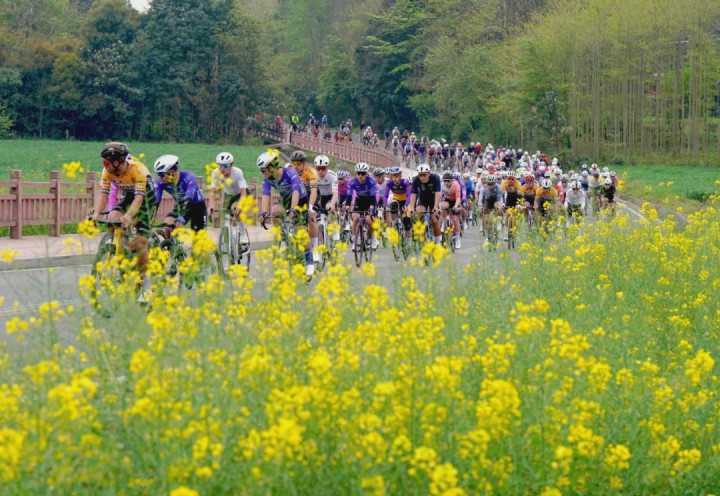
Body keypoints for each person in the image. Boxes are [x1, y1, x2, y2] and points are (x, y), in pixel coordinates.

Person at [92, 142, 157, 301]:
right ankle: (121, 251)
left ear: (117, 162)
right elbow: (103, 195)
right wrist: (96, 214)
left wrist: (128, 216)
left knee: (140, 243)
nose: (104, 166)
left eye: (106, 163)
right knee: (112, 218)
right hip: (129, 197)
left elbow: (139, 199)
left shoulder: (138, 169)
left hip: (146, 200)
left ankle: (146, 286)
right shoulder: (107, 171)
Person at [256, 150, 315, 277]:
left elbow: (295, 192)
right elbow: (265, 195)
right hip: (285, 200)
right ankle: (283, 234)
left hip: (300, 199)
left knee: (301, 231)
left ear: (271, 167)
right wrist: (263, 212)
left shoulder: (290, 173)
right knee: (274, 211)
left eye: (263, 170)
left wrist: (293, 209)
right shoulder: (267, 178)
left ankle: (309, 261)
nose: (262, 173)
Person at [153, 155, 206, 239]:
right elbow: (156, 200)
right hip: (181, 206)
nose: (160, 178)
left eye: (161, 174)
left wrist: (181, 217)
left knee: (197, 239)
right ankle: (170, 245)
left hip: (197, 207)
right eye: (158, 174)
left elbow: (188, 199)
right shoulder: (160, 182)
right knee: (167, 227)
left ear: (172, 172)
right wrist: (150, 219)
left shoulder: (189, 177)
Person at [289, 150, 321, 263]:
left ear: (304, 164)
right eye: (294, 163)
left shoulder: (311, 172)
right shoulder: (290, 172)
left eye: (298, 164)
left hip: (310, 195)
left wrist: (310, 207)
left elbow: (314, 191)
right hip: (297, 196)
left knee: (311, 219)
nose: (296, 166)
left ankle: (315, 250)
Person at [208, 152, 248, 229]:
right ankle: (228, 234)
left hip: (240, 194)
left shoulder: (238, 172)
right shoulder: (215, 173)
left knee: (237, 209)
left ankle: (243, 233)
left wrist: (240, 204)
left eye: (225, 166)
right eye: (219, 166)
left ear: (231, 166)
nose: (222, 169)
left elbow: (243, 192)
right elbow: (212, 192)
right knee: (226, 215)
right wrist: (211, 206)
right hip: (228, 194)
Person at [407, 164, 442, 244]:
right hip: (423, 198)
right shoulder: (416, 179)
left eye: (424, 175)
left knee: (434, 220)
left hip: (434, 199)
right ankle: (423, 236)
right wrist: (411, 208)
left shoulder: (435, 178)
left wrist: (436, 207)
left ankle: (438, 242)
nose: (422, 177)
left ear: (429, 174)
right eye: (420, 175)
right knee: (419, 212)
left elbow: (438, 193)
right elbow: (413, 194)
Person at [348, 162, 379, 249]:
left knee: (368, 219)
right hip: (359, 201)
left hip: (370, 201)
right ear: (356, 173)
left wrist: (372, 207)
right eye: (358, 173)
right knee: (355, 218)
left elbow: (373, 196)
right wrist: (347, 206)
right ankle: (355, 239)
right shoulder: (352, 182)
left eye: (363, 173)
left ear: (367, 173)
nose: (360, 176)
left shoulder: (371, 181)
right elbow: (349, 195)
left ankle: (374, 238)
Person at [314, 154, 339, 241]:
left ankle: (335, 232)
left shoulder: (332, 175)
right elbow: (312, 192)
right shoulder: (313, 175)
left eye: (323, 168)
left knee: (329, 208)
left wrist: (332, 204)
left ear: (327, 168)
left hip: (330, 196)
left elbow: (335, 193)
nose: (320, 171)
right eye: (318, 168)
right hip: (320, 196)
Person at [440, 171, 462, 249]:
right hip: (447, 200)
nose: (446, 183)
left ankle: (457, 239)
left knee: (455, 220)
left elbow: (458, 198)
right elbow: (439, 196)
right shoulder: (442, 185)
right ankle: (444, 221)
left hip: (455, 201)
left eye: (448, 181)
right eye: (445, 181)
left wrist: (456, 206)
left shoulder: (456, 185)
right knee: (443, 206)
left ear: (451, 180)